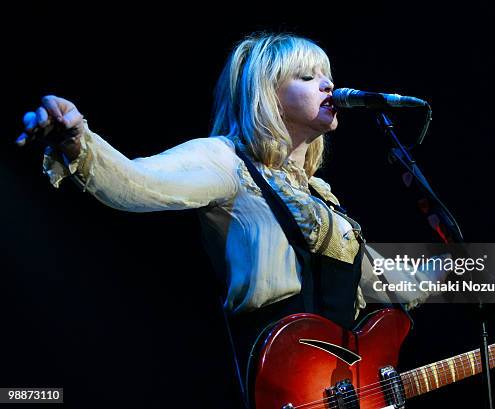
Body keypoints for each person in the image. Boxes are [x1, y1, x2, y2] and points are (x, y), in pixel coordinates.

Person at [17, 32, 447, 406]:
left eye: (326, 74)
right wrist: (78, 141)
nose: (328, 84)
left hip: (344, 387)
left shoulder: (321, 199)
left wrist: (477, 265)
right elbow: (138, 182)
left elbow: (393, 285)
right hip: (281, 388)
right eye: (307, 76)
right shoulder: (227, 161)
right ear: (266, 93)